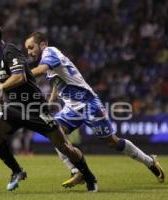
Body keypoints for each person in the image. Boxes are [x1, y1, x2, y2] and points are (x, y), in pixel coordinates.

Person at [24, 31, 165, 187]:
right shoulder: (48, 59)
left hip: (89, 103)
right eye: (27, 49)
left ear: (43, 44)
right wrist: (51, 101)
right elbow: (57, 81)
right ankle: (77, 172)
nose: (29, 52)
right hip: (71, 107)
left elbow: (42, 70)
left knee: (112, 142)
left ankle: (150, 161)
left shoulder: (50, 52)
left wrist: (21, 75)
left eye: (31, 47)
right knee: (55, 133)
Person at [0, 19, 97, 192]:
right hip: (14, 107)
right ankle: (17, 171)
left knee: (64, 147)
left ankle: (88, 175)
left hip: (34, 107)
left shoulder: (10, 51)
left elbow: (20, 77)